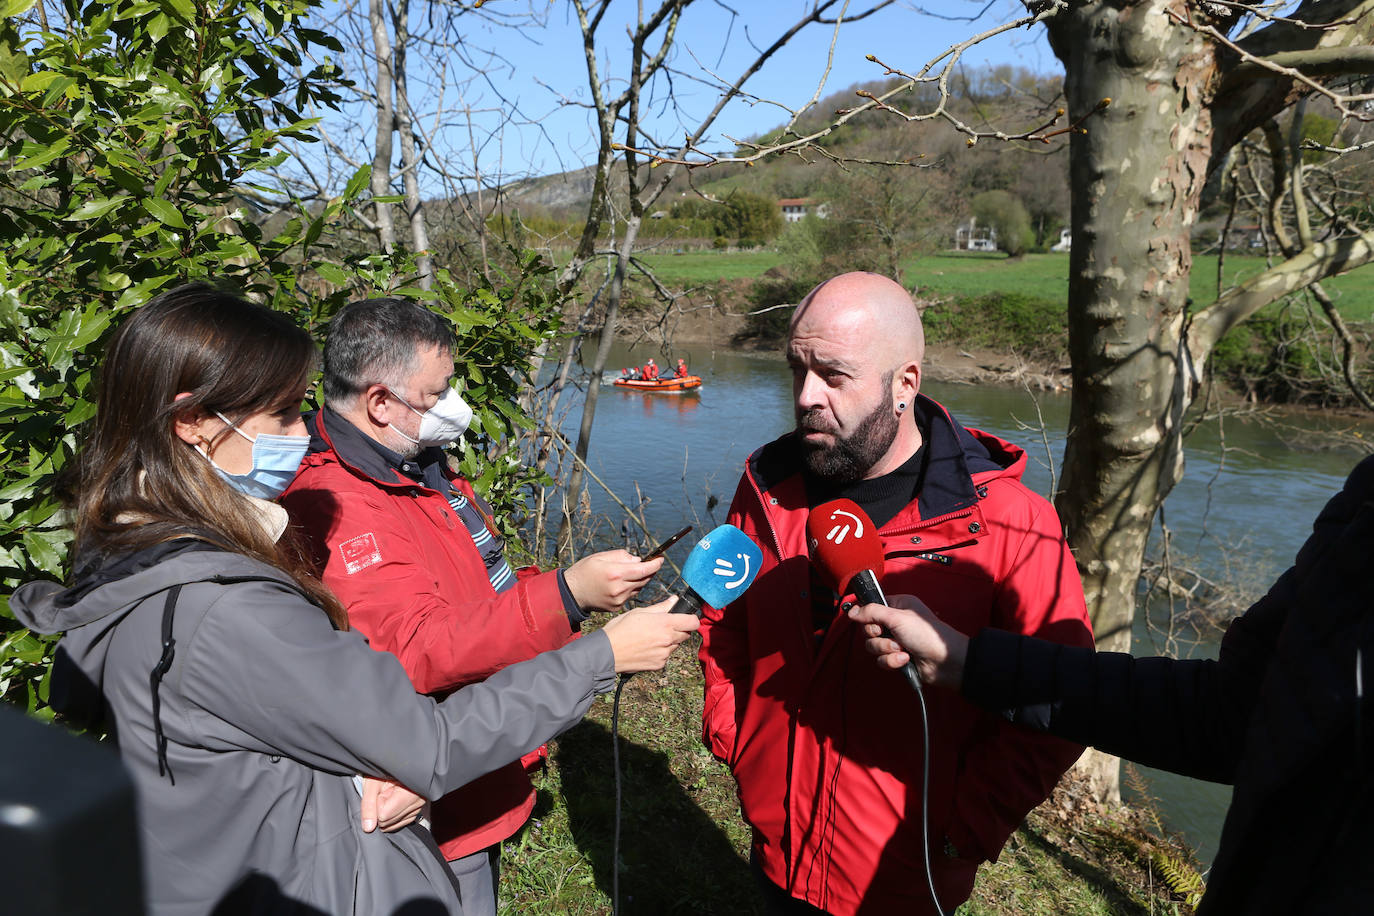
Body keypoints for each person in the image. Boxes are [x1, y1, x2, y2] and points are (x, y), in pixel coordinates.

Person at [9, 283, 699, 915]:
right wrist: (596, 647)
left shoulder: (150, 553)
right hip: (330, 870)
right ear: (193, 422)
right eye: (281, 413)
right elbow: (418, 714)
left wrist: (555, 593)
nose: (300, 432)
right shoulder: (230, 599)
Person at [697, 271, 1094, 915]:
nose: (805, 397)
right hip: (775, 845)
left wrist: (964, 829)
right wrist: (738, 739)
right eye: (796, 369)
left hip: (904, 877)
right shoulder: (765, 486)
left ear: (904, 384)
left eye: (834, 375)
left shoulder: (1014, 527)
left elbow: (1061, 700)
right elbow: (722, 621)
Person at [850, 456, 1374, 916]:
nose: (808, 398)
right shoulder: (1364, 507)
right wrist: (966, 661)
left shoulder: (1017, 515)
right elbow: (1239, 712)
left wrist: (967, 831)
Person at [280, 296, 664, 911]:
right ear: (380, 403)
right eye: (436, 393)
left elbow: (480, 584)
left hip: (476, 765)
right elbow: (418, 646)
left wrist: (572, 585)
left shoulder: (417, 467)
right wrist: (567, 596)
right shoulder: (341, 503)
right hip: (429, 801)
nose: (451, 407)